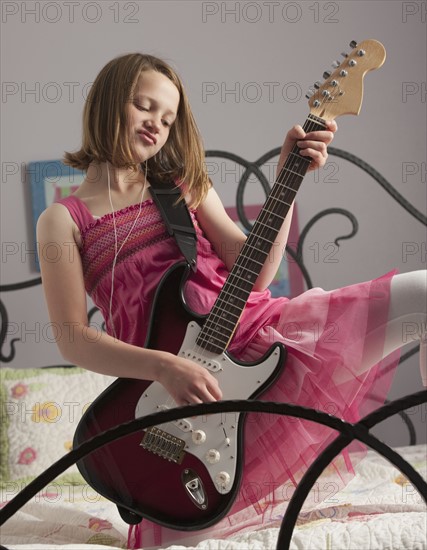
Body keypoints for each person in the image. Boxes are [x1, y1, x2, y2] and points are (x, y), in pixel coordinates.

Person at [37, 53, 427, 549]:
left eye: (169, 117)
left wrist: (287, 175)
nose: (157, 124)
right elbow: (73, 339)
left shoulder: (181, 187)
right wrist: (165, 368)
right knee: (178, 538)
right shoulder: (63, 221)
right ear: (109, 103)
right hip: (181, 404)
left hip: (268, 346)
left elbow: (258, 273)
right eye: (144, 106)